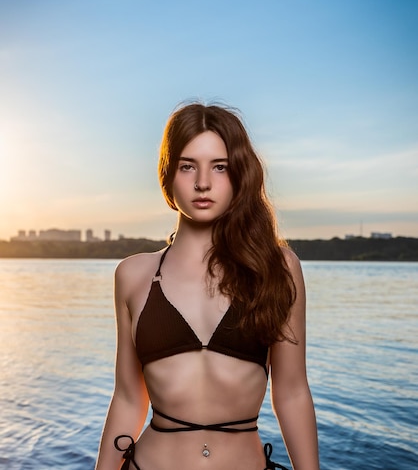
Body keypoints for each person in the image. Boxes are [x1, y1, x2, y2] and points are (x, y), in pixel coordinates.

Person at [95, 103, 320, 470]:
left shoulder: (278, 268)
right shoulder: (133, 275)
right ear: (168, 175)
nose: (203, 182)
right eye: (188, 166)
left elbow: (292, 392)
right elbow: (127, 399)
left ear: (239, 174)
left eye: (220, 166)